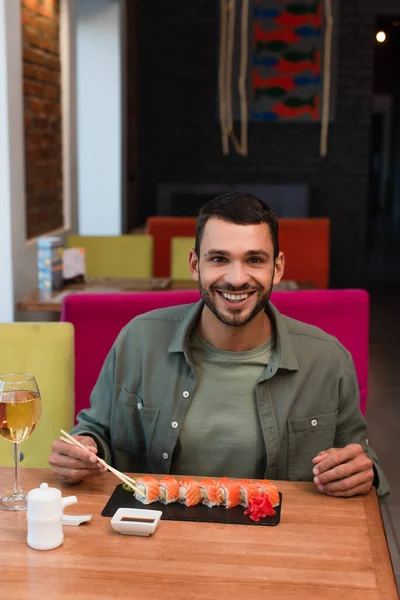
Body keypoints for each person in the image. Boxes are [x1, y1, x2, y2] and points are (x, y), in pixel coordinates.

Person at [49, 193, 389, 498]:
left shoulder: (328, 358)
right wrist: (83, 448)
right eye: (219, 259)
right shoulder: (137, 340)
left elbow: (360, 459)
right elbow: (95, 432)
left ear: (278, 268)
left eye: (255, 259)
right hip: (153, 539)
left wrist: (363, 473)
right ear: (195, 265)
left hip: (281, 550)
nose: (237, 278)